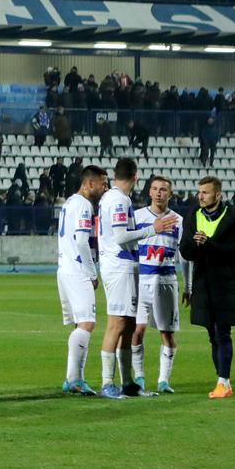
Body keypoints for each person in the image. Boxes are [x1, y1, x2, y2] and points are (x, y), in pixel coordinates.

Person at [97, 157, 175, 399]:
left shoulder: (114, 198)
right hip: (118, 266)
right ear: (136, 176)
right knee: (117, 324)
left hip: (124, 266)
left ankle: (128, 382)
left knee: (129, 326)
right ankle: (107, 382)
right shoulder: (118, 199)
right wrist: (154, 229)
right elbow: (121, 237)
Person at [179, 176, 235, 399]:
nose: (200, 196)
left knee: (222, 331)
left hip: (226, 284)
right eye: (199, 192)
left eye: (205, 192)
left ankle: (223, 381)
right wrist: (198, 246)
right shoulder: (194, 215)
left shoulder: (234, 217)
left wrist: (209, 244)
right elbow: (185, 250)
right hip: (203, 283)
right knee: (212, 334)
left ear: (218, 195)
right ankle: (222, 380)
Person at [132, 175, 188, 394]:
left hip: (166, 282)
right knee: (137, 332)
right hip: (141, 282)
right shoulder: (137, 217)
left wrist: (188, 286)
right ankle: (139, 378)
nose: (158, 193)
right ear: (149, 192)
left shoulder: (179, 221)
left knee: (167, 334)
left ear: (170, 194)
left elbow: (185, 256)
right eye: (155, 189)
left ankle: (164, 381)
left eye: (163, 189)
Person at [57, 164, 107, 396]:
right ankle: (75, 379)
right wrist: (92, 272)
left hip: (64, 269)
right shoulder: (85, 206)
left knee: (81, 324)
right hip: (77, 271)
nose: (104, 188)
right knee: (87, 323)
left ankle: (72, 378)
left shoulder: (69, 203)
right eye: (102, 184)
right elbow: (81, 242)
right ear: (89, 184)